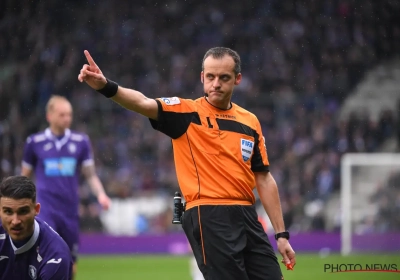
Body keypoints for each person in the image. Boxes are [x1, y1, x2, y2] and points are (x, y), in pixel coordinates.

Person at [78, 47, 296, 279]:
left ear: (237, 80)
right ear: (202, 77)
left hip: (247, 215)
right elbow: (143, 103)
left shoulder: (250, 122)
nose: (216, 84)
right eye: (210, 77)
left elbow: (264, 177)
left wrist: (281, 235)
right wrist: (105, 86)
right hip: (208, 213)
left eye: (224, 78)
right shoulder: (187, 112)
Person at [21, 95, 111, 278]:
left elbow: (90, 174)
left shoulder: (81, 142)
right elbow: (24, 177)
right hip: (45, 210)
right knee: (45, 256)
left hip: (70, 211)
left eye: (69, 114)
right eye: (62, 115)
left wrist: (101, 195)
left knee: (71, 262)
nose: (67, 119)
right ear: (50, 116)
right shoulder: (34, 142)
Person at [0, 175, 73, 280]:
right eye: (8, 212)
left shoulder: (55, 256)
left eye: (23, 211)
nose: (15, 221)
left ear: (36, 209)